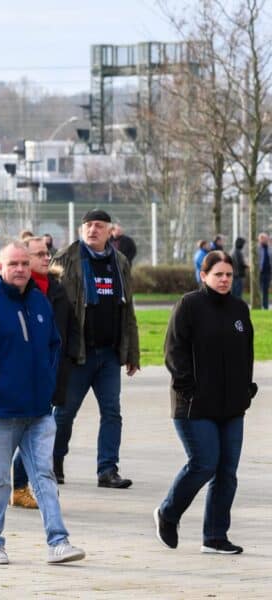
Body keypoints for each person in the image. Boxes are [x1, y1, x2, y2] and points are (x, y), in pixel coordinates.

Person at [0, 241, 85, 565]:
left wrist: (46, 384)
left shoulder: (39, 302)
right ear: (0, 268)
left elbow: (53, 345)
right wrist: (3, 386)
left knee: (43, 475)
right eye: (12, 264)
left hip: (38, 410)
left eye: (23, 263)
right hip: (1, 411)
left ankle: (58, 542)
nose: (19, 269)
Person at [155, 251, 255, 555]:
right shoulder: (189, 305)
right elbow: (174, 352)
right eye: (218, 274)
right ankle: (168, 513)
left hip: (232, 407)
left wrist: (246, 390)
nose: (224, 280)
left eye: (228, 275)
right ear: (204, 275)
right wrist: (189, 389)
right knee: (204, 464)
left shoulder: (239, 309)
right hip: (194, 406)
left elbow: (246, 353)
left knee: (227, 472)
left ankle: (214, 536)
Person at [52, 209, 139, 489]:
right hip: (78, 354)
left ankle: (107, 469)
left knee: (112, 412)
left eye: (99, 226)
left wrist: (132, 353)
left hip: (109, 354)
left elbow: (128, 310)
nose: (92, 230)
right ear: (81, 229)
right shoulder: (66, 259)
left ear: (109, 231)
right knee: (64, 414)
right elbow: (55, 307)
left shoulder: (120, 262)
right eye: (88, 225)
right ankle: (53, 463)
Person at [10, 235, 78, 509]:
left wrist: (71, 359)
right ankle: (22, 486)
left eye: (46, 253)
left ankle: (31, 486)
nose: (46, 257)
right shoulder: (19, 292)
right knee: (28, 436)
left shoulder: (57, 289)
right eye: (39, 254)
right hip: (24, 377)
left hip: (53, 373)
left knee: (38, 435)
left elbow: (71, 329)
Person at [258, 232, 270, 309]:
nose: (266, 240)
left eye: (267, 238)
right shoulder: (257, 248)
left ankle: (265, 306)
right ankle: (259, 304)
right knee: (259, 290)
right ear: (261, 239)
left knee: (265, 290)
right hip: (259, 272)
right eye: (265, 238)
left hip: (268, 273)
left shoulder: (269, 248)